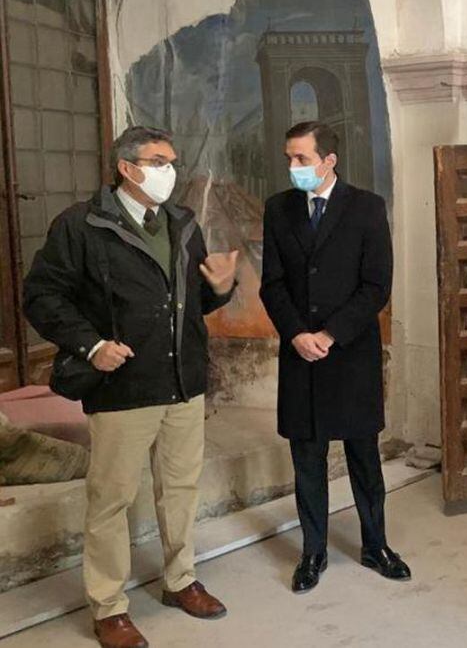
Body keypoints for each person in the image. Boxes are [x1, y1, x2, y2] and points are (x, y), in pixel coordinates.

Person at [24, 126, 238, 648]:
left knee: (180, 490)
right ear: (127, 167)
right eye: (158, 161)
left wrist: (221, 289)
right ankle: (108, 606)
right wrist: (92, 345)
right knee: (111, 499)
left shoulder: (184, 224)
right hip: (123, 386)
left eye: (172, 161)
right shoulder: (82, 225)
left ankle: (181, 580)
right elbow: (43, 295)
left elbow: (191, 308)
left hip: (183, 381)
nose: (169, 172)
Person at [260, 121, 408, 594]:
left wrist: (330, 333)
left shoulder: (366, 208)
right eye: (288, 157)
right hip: (299, 354)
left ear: (329, 161)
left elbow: (376, 286)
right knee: (307, 458)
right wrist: (299, 334)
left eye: (301, 158)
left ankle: (376, 545)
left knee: (364, 456)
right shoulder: (278, 209)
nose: (292, 167)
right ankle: (313, 551)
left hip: (349, 353)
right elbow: (273, 284)